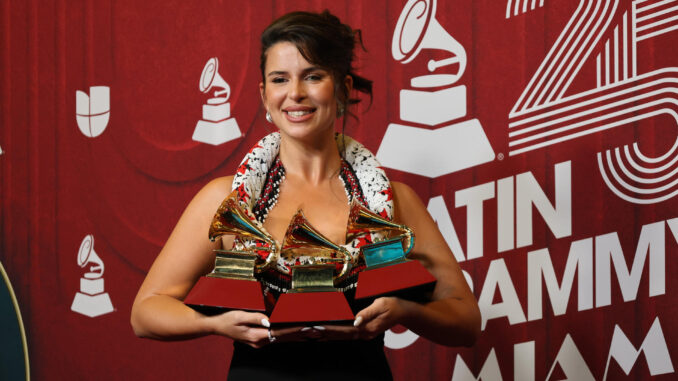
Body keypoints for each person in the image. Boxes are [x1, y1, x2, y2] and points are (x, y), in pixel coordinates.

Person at [131, 10, 480, 380]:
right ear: (264, 95)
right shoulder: (226, 200)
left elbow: (466, 321)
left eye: (313, 76)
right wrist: (217, 324)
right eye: (280, 79)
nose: (295, 93)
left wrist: (405, 311)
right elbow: (146, 312)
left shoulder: (394, 201)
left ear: (342, 87)